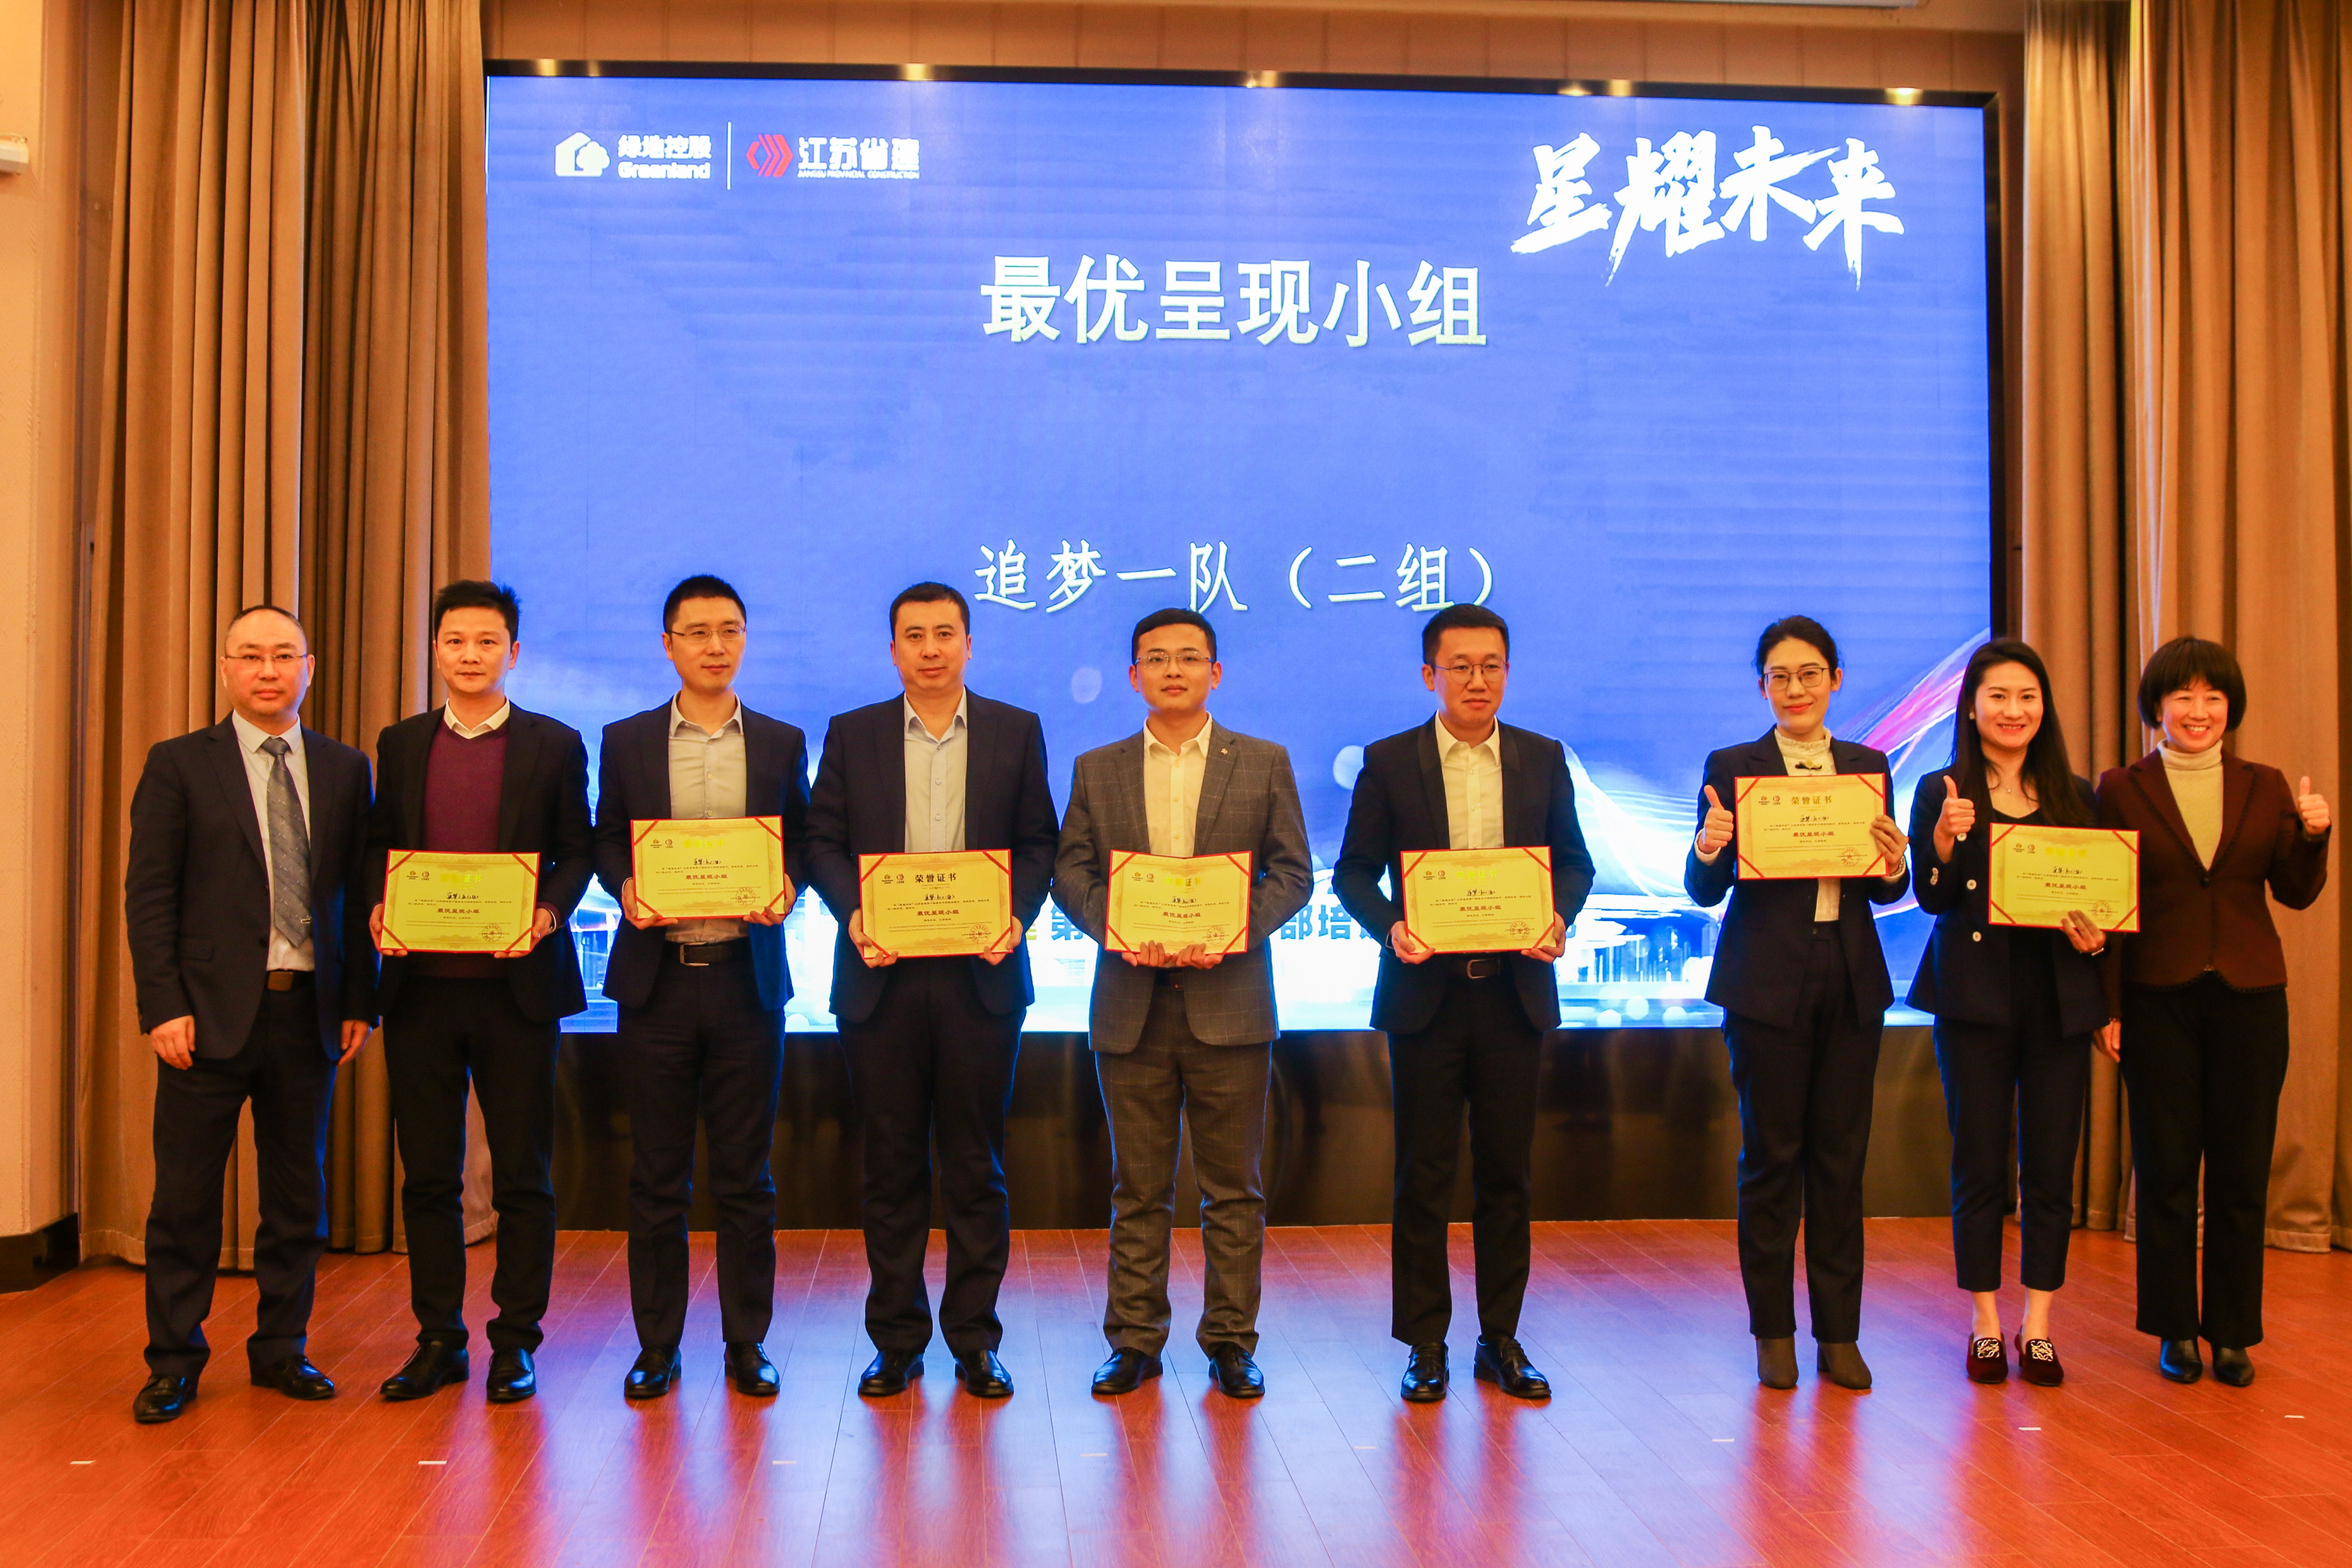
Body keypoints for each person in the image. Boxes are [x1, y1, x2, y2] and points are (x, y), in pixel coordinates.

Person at [1334, 603, 1595, 1404]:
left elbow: (1574, 864)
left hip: (1514, 995)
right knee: (1424, 1173)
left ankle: (1501, 1339)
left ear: (1507, 672)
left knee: (1507, 1174)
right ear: (1430, 675)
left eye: (1491, 666)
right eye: (1460, 667)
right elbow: (1352, 874)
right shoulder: (1390, 761)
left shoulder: (1542, 758)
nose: (1477, 680)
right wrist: (1393, 926)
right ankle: (1425, 1342)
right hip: (1426, 998)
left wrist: (1558, 916)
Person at [123, 606, 377, 1424]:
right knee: (185, 1201)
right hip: (202, 1021)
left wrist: (359, 1000)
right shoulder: (178, 764)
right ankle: (174, 1362)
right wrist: (163, 1006)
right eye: (251, 657)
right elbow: (149, 897)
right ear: (227, 668)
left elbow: (358, 896)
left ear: (309, 667)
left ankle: (281, 1350)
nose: (269, 671)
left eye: (284, 656)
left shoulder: (345, 769)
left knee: (297, 1199)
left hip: (308, 1014)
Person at [805, 582, 1058, 1400]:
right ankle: (897, 1341)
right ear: (893, 650)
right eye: (914, 636)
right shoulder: (854, 733)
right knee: (891, 1168)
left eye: (945, 634)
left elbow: (1039, 842)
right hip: (880, 978)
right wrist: (855, 914)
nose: (931, 649)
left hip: (981, 979)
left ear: (969, 644)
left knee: (977, 1167)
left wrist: (1016, 914)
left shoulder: (1016, 730)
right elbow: (822, 840)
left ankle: (976, 1341)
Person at [1051, 609, 1313, 1400]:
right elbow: (1071, 875)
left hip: (1231, 1002)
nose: (1174, 671)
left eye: (1190, 658)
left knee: (1234, 1189)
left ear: (1215, 673)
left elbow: (1293, 874)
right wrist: (1120, 928)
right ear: (1134, 676)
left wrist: (1232, 930)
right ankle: (1134, 1341)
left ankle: (1231, 1341)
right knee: (1139, 1189)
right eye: (1157, 659)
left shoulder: (1263, 762)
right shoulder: (1097, 768)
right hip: (1130, 1004)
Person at [368, 581, 594, 1404]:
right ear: (435, 649)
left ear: (513, 653)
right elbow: (381, 847)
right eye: (456, 641)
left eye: (487, 642)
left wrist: (547, 912)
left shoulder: (554, 744)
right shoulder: (400, 744)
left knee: (523, 1176)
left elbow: (578, 850)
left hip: (517, 993)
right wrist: (379, 905)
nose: (471, 655)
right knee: (428, 1176)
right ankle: (439, 1337)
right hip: (421, 993)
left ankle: (516, 1341)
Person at [593, 575, 808, 1401]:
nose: (714, 646)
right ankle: (658, 1345)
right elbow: (608, 838)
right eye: (697, 632)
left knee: (747, 1177)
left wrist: (787, 884)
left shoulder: (782, 742)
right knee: (658, 1176)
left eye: (729, 631)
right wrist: (625, 885)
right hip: (658, 985)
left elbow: (802, 838)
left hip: (747, 982)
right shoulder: (627, 740)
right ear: (669, 645)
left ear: (745, 639)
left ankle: (747, 1342)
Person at [2095, 636, 2329, 1388]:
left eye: (2213, 698)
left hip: (2250, 998)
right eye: (2182, 697)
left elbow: (2295, 891)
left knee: (2241, 1172)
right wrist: (2108, 1007)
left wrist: (2315, 836)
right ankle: (2175, 1330)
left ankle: (2232, 1333)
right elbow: (2109, 905)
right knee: (2166, 1170)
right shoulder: (2121, 788)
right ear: (2156, 707)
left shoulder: (2266, 786)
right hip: (2155, 998)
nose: (2198, 711)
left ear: (2231, 708)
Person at [1686, 615, 1909, 1392]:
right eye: (1780, 677)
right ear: (1763, 688)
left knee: (1841, 1163)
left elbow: (1884, 888)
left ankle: (1840, 1335)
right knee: (1771, 1160)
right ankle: (1773, 1332)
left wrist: (1894, 863)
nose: (1796, 689)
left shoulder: (1867, 765)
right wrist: (1709, 846)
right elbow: (1704, 889)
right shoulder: (1733, 766)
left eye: (1810, 674)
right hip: (1764, 983)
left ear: (1835, 680)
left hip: (1850, 979)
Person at [1906, 640, 2108, 1387]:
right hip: (1973, 1000)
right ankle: (1986, 1321)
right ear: (1971, 707)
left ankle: (2040, 1323)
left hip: (2059, 1002)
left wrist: (2097, 936)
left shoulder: (2077, 796)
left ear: (2043, 707)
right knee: (1980, 1161)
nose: (2013, 710)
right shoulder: (1941, 789)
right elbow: (1931, 897)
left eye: (2027, 696)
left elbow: (2103, 903)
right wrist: (1943, 839)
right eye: (1998, 696)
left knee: (2051, 1164)